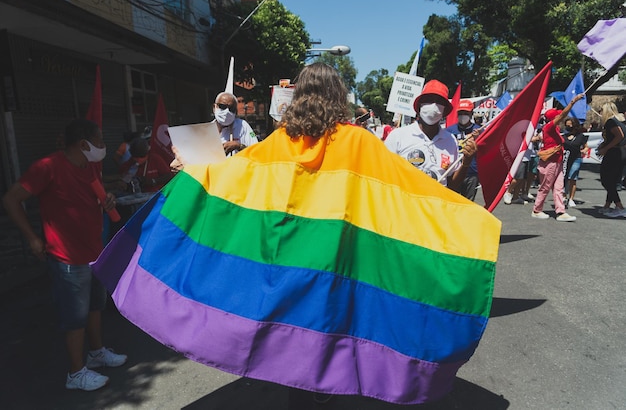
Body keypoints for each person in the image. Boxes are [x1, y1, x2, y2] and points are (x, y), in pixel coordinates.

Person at [103, 63, 499, 407]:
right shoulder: (359, 141)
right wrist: (470, 219)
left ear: (301, 96)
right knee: (327, 337)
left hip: (289, 262)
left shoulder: (280, 140)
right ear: (338, 97)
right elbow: (409, 189)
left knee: (290, 339)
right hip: (333, 264)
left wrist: (192, 168)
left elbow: (232, 174)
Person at [2, 119, 127, 392]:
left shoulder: (89, 166)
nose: (104, 146)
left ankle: (96, 353)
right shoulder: (48, 167)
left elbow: (97, 196)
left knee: (95, 307)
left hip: (94, 251)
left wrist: (108, 200)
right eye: (101, 141)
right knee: (74, 317)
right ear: (84, 144)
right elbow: (11, 199)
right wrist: (33, 238)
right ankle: (75, 372)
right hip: (67, 257)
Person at [384, 80, 477, 192]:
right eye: (428, 100)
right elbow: (384, 175)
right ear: (419, 106)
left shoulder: (450, 140)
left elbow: (452, 185)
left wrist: (466, 163)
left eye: (439, 102)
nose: (434, 105)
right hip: (404, 205)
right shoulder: (398, 136)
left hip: (436, 206)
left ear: (444, 111)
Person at [531, 93, 584, 222]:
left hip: (557, 162)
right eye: (558, 117)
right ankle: (537, 210)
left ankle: (561, 212)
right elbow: (562, 115)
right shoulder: (549, 127)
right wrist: (572, 102)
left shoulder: (552, 129)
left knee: (559, 188)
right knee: (545, 187)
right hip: (549, 162)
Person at [444, 99, 482, 200]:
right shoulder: (449, 131)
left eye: (466, 113)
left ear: (471, 114)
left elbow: (485, 150)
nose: (463, 115)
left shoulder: (479, 130)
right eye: (460, 113)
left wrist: (478, 139)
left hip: (472, 172)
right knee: (451, 201)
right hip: (453, 172)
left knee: (468, 202)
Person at [596, 102, 626, 217]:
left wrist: (606, 148)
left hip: (614, 153)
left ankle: (619, 207)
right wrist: (605, 144)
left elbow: (620, 136)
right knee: (612, 181)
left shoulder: (611, 122)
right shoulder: (621, 122)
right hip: (621, 152)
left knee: (606, 180)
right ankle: (607, 206)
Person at [562, 117, 589, 208]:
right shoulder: (564, 136)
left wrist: (584, 150)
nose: (568, 127)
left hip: (576, 158)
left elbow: (586, 147)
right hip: (565, 159)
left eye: (570, 125)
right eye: (567, 125)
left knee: (572, 177)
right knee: (564, 177)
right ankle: (563, 196)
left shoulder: (581, 136)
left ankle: (571, 198)